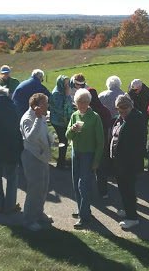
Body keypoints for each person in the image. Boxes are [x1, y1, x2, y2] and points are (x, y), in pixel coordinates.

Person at [66, 89, 104, 228]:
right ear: (75, 103)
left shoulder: (95, 117)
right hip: (76, 153)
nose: (82, 104)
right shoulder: (74, 115)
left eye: (85, 102)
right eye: (79, 102)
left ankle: (85, 217)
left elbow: (100, 141)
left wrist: (96, 160)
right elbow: (67, 136)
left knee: (84, 185)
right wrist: (72, 130)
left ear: (89, 102)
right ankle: (82, 209)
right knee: (76, 182)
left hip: (89, 154)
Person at [110, 94, 148, 229]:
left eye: (125, 107)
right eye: (119, 108)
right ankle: (127, 210)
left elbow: (137, 144)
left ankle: (132, 217)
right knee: (123, 188)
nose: (122, 110)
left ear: (131, 106)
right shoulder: (120, 119)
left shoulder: (136, 119)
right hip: (120, 161)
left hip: (129, 162)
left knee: (128, 189)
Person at [20, 93, 54, 231]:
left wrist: (50, 141)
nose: (47, 106)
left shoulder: (41, 116)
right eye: (44, 104)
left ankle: (39, 213)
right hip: (32, 157)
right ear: (35, 107)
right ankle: (29, 220)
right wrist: (39, 119)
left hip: (43, 156)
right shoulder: (28, 118)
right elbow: (31, 137)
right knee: (34, 190)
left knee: (43, 187)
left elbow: (42, 133)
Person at [88, 87, 113, 199]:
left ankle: (89, 192)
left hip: (89, 144)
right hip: (103, 143)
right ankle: (104, 192)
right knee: (101, 170)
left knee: (88, 170)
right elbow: (109, 124)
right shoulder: (104, 109)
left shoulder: (88, 111)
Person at [49, 75, 74, 169]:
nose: (67, 85)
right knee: (63, 140)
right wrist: (67, 96)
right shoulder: (57, 93)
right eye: (65, 83)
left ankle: (62, 162)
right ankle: (61, 163)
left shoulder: (62, 92)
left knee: (64, 140)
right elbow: (59, 108)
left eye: (68, 83)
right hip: (58, 121)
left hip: (63, 120)